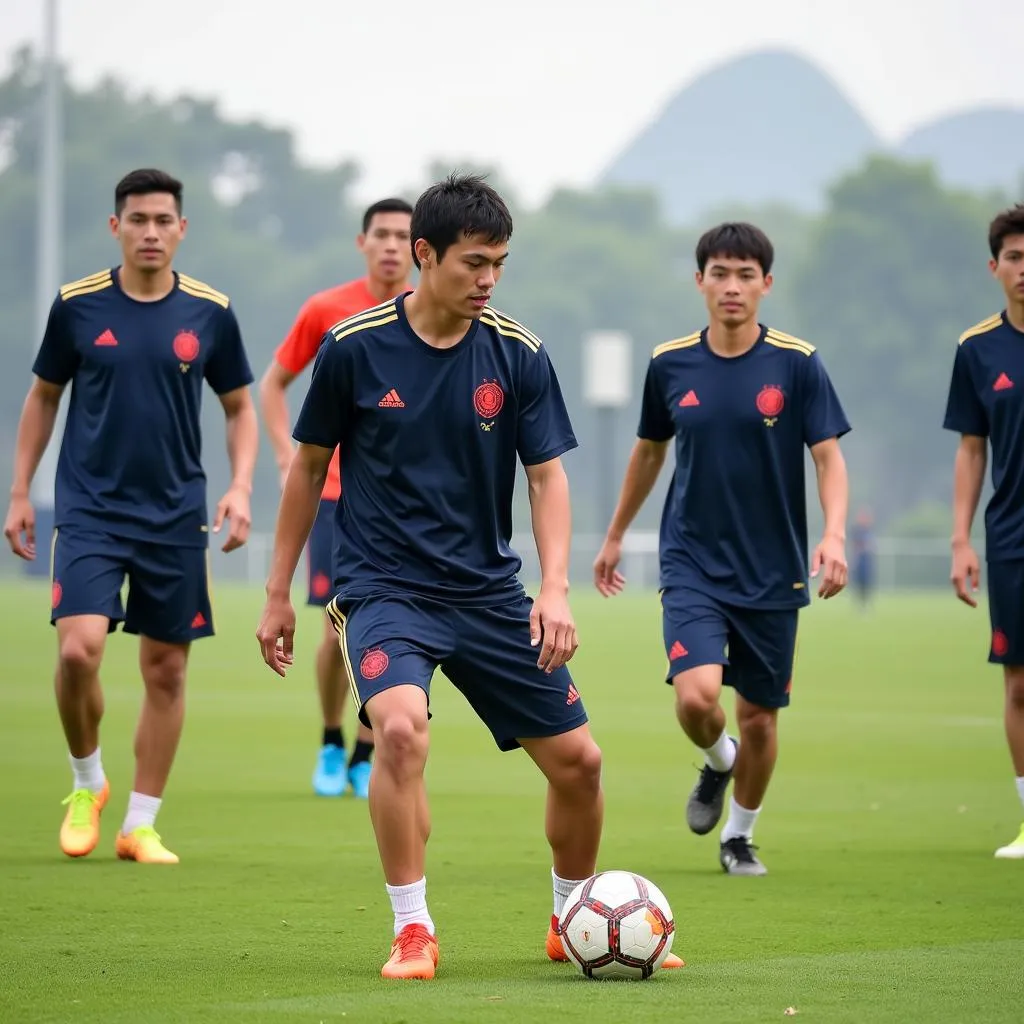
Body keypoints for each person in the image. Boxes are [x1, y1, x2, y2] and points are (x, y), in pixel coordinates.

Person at [256, 173, 657, 982]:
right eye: (474, 263)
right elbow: (306, 471)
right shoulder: (355, 348)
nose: (487, 280)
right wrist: (277, 594)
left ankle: (574, 918)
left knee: (581, 764)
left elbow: (547, 477)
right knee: (400, 730)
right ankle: (413, 931)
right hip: (383, 591)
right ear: (423, 254)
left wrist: (554, 588)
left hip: (487, 593)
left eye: (500, 265)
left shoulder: (517, 352)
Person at [3, 168, 257, 865]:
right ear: (116, 227)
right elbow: (43, 397)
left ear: (182, 229)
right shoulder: (78, 306)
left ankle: (140, 823)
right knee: (80, 647)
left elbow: (240, 407)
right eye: (137, 220)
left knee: (166, 672)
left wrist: (239, 486)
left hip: (176, 515)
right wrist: (21, 490)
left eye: (163, 220)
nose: (151, 231)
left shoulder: (211, 312)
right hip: (90, 509)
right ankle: (88, 782)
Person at [593, 222, 851, 877]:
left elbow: (828, 457)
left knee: (760, 719)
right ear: (699, 280)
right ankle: (718, 761)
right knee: (695, 696)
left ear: (766, 283)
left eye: (745, 275)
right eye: (719, 273)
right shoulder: (670, 364)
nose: (731, 287)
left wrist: (834, 533)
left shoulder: (797, 363)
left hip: (772, 569)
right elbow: (649, 452)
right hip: (693, 564)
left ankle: (738, 836)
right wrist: (617, 533)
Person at [259, 197, 414, 798]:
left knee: (396, 628)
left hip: (401, 505)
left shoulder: (432, 313)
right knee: (333, 628)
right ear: (363, 242)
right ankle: (331, 740)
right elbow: (272, 384)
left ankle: (367, 747)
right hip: (333, 497)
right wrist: (284, 456)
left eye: (403, 236)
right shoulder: (327, 311)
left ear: (419, 246)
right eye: (382, 235)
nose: (392, 246)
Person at [944, 202, 1024, 860]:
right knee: (1019, 683)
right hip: (1013, 538)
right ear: (994, 267)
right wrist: (961, 539)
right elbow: (973, 449)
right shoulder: (976, 349)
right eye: (1016, 257)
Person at [849, 507, 877, 609]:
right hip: (859, 561)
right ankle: (859, 604)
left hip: (867, 561)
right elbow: (855, 546)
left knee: (867, 583)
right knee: (858, 583)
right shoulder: (856, 531)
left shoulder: (869, 531)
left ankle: (866, 603)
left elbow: (872, 546)